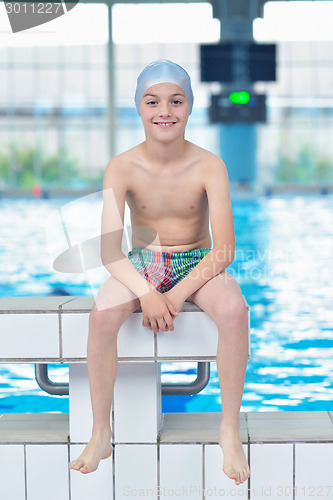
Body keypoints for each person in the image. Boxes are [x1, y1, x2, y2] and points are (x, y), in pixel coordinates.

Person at [69, 60, 250, 485]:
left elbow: (224, 249)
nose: (164, 110)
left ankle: (228, 429)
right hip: (142, 262)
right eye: (153, 101)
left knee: (235, 312)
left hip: (197, 260)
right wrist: (147, 292)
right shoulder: (123, 167)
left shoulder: (210, 166)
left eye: (176, 100)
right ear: (139, 107)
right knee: (101, 315)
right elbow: (111, 250)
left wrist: (176, 292)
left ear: (189, 108)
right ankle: (100, 432)